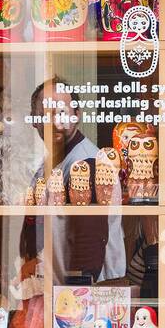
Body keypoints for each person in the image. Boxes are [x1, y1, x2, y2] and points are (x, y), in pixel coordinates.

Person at [28, 78, 126, 282]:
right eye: (46, 114)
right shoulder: (51, 161)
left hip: (85, 298)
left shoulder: (87, 164)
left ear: (77, 116)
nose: (55, 122)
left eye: (62, 113)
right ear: (34, 120)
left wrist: (74, 300)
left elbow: (89, 244)